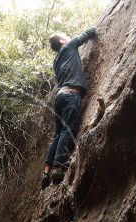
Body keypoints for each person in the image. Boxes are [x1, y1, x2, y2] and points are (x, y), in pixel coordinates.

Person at [42, 27, 98, 189]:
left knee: (58, 133)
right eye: (66, 36)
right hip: (70, 95)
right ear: (62, 41)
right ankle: (59, 167)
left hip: (60, 97)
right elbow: (86, 34)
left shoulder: (56, 61)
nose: (69, 36)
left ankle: (46, 171)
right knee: (67, 130)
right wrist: (95, 28)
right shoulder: (69, 46)